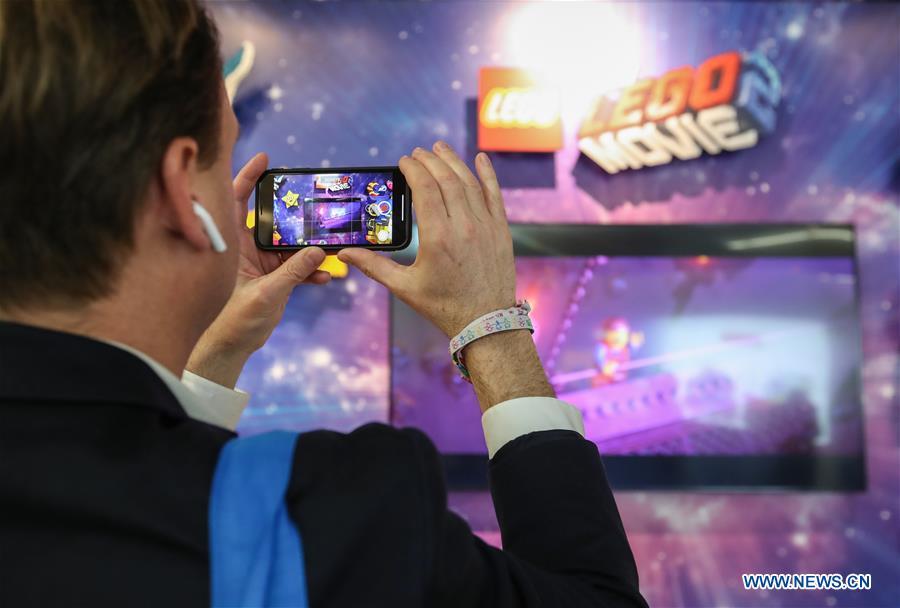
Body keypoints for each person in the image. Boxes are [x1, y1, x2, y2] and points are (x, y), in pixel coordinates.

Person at [0, 1, 647, 606]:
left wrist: (215, 355)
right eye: (223, 156)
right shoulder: (331, 515)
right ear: (179, 188)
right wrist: (492, 327)